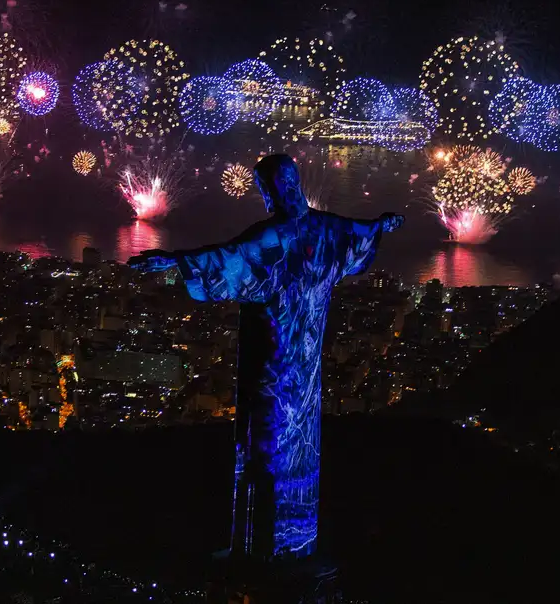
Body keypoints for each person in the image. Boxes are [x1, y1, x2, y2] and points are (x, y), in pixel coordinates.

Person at [128, 154, 403, 562]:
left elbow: (227, 260)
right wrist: (382, 225)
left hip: (272, 362)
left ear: (274, 188)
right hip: (308, 365)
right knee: (299, 443)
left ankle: (263, 549)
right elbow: (360, 236)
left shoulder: (273, 238)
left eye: (266, 187)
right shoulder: (328, 230)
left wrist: (174, 260)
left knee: (265, 444)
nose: (269, 194)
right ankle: (295, 541)